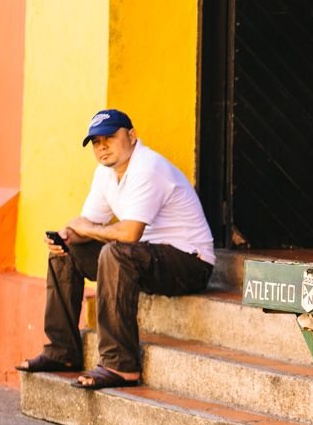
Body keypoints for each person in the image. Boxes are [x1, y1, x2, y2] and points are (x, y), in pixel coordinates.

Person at [16, 109, 215, 389]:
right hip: (145, 257)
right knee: (64, 253)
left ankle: (121, 366)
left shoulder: (148, 167)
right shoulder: (106, 174)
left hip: (190, 264)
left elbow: (129, 234)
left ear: (131, 136)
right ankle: (61, 352)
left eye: (110, 137)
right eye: (96, 142)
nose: (103, 147)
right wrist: (68, 236)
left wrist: (86, 230)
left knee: (115, 252)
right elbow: (89, 223)